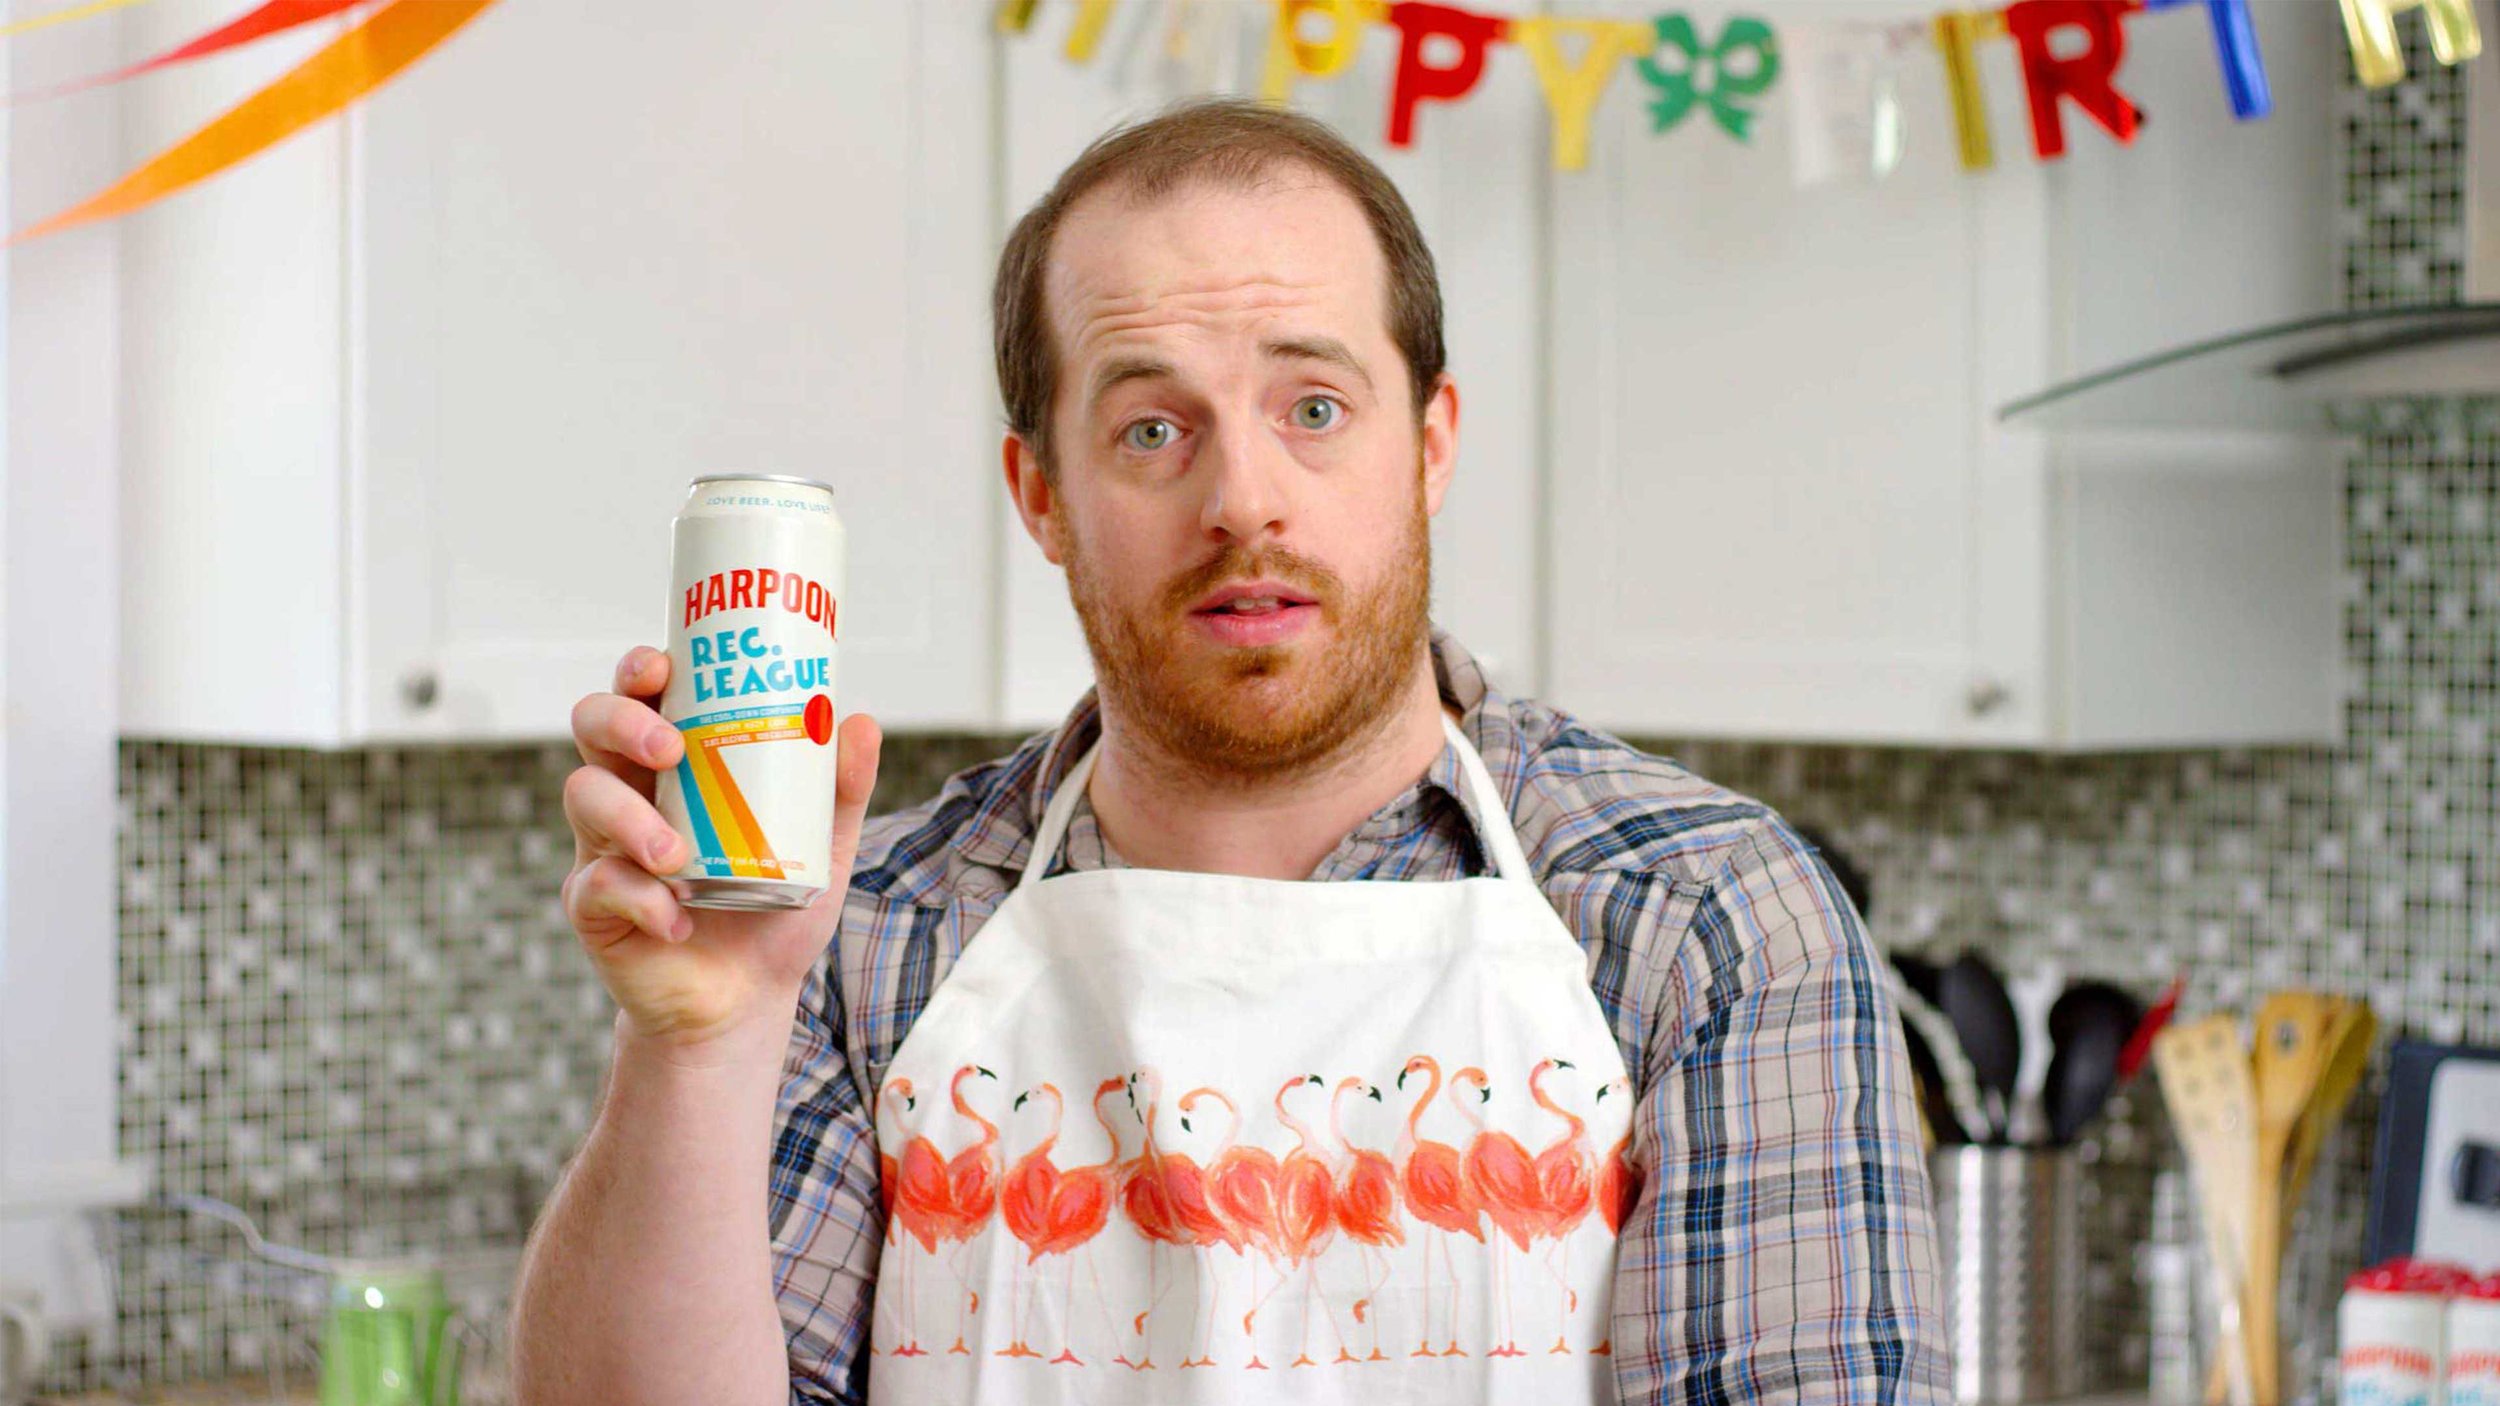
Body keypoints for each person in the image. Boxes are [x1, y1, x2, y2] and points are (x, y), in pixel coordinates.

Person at [513, 97, 1948, 1406]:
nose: (1243, 500)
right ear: (1043, 492)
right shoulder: (866, 932)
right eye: (1151, 430)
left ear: (1431, 442)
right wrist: (695, 1043)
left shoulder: (1711, 920)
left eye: (1314, 408)